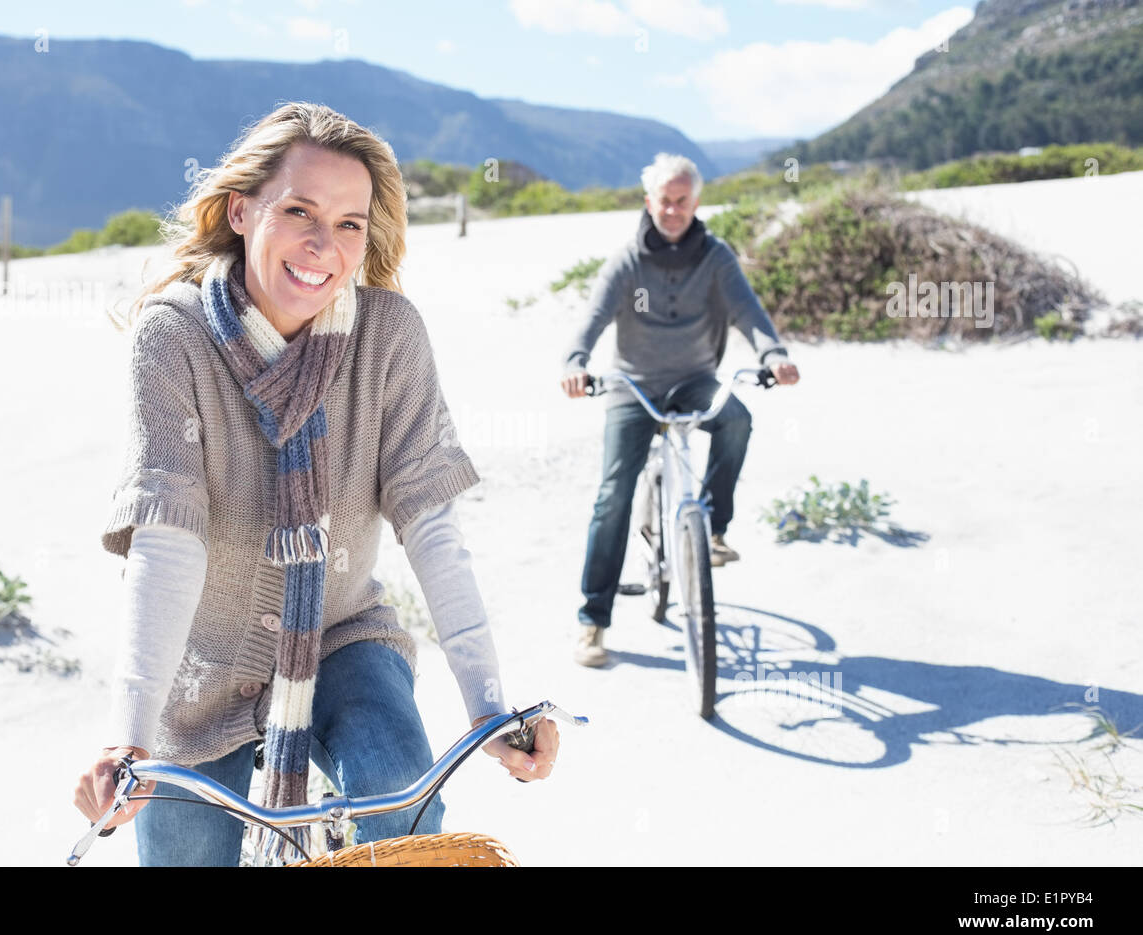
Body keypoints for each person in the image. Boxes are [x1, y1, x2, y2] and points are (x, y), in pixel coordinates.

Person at [73, 101, 559, 866]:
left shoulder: (389, 336)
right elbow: (165, 542)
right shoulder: (174, 338)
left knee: (404, 791)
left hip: (341, 632)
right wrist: (126, 736)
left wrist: (490, 707)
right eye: (298, 210)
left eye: (348, 224)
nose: (322, 246)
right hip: (202, 661)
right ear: (240, 210)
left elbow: (432, 527)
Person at [560, 153, 800, 668]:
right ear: (650, 202)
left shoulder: (716, 257)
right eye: (664, 201)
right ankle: (592, 621)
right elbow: (593, 317)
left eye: (682, 201)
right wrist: (576, 361)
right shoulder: (628, 260)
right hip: (633, 387)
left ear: (697, 201)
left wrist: (773, 354)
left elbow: (749, 313)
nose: (672, 211)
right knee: (612, 496)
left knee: (737, 419)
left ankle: (712, 529)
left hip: (695, 382)